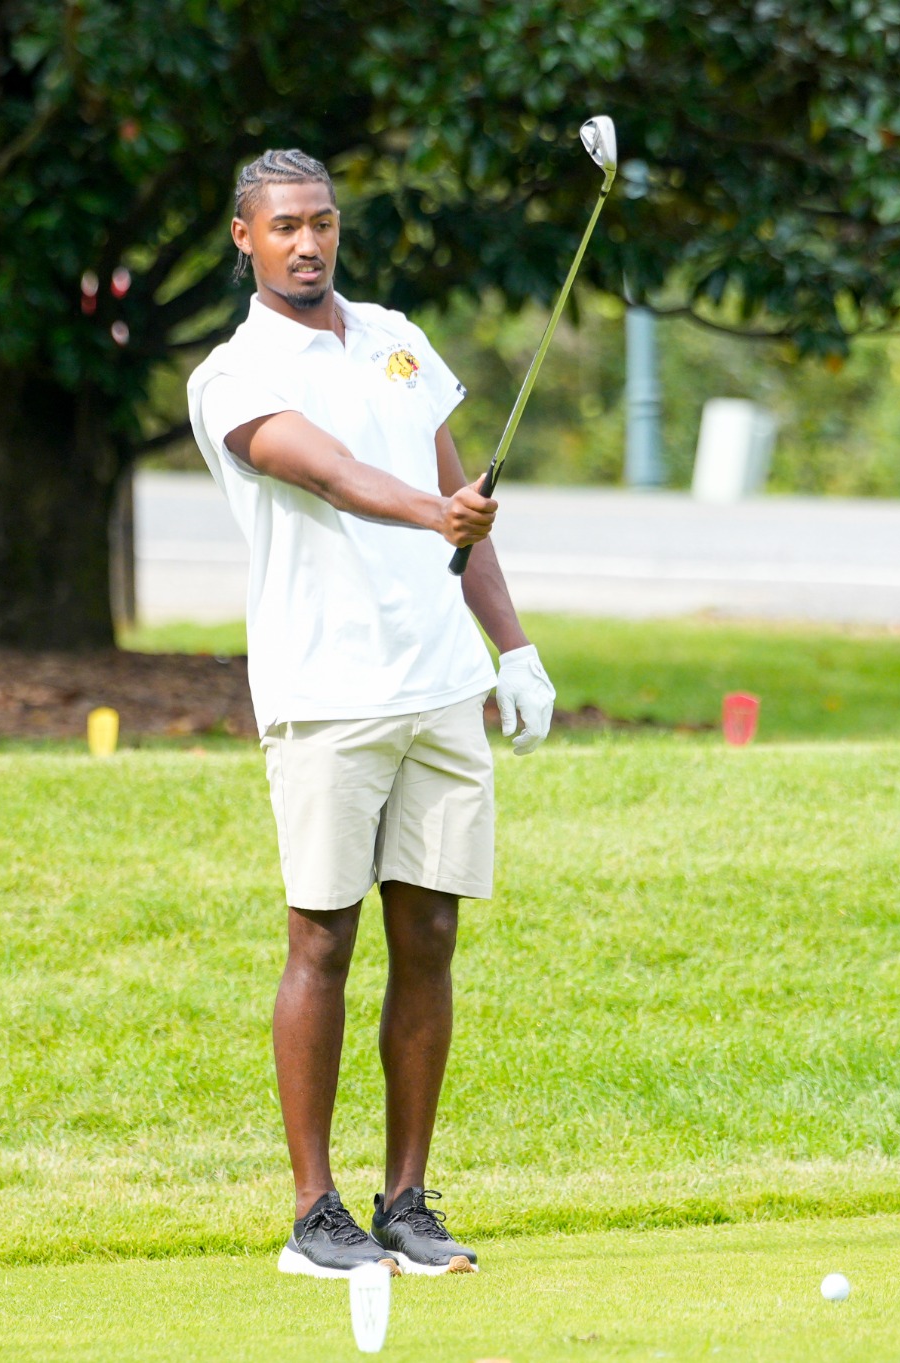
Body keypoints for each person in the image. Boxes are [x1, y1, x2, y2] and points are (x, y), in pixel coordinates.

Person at [184, 149, 555, 1279]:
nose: (308, 243)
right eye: (284, 225)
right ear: (243, 238)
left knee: (429, 936)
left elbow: (461, 511)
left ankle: (405, 1201)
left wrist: (514, 647)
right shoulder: (233, 373)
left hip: (436, 684)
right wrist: (436, 514)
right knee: (323, 936)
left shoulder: (395, 336)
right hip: (326, 692)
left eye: (323, 222)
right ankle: (314, 1212)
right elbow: (335, 473)